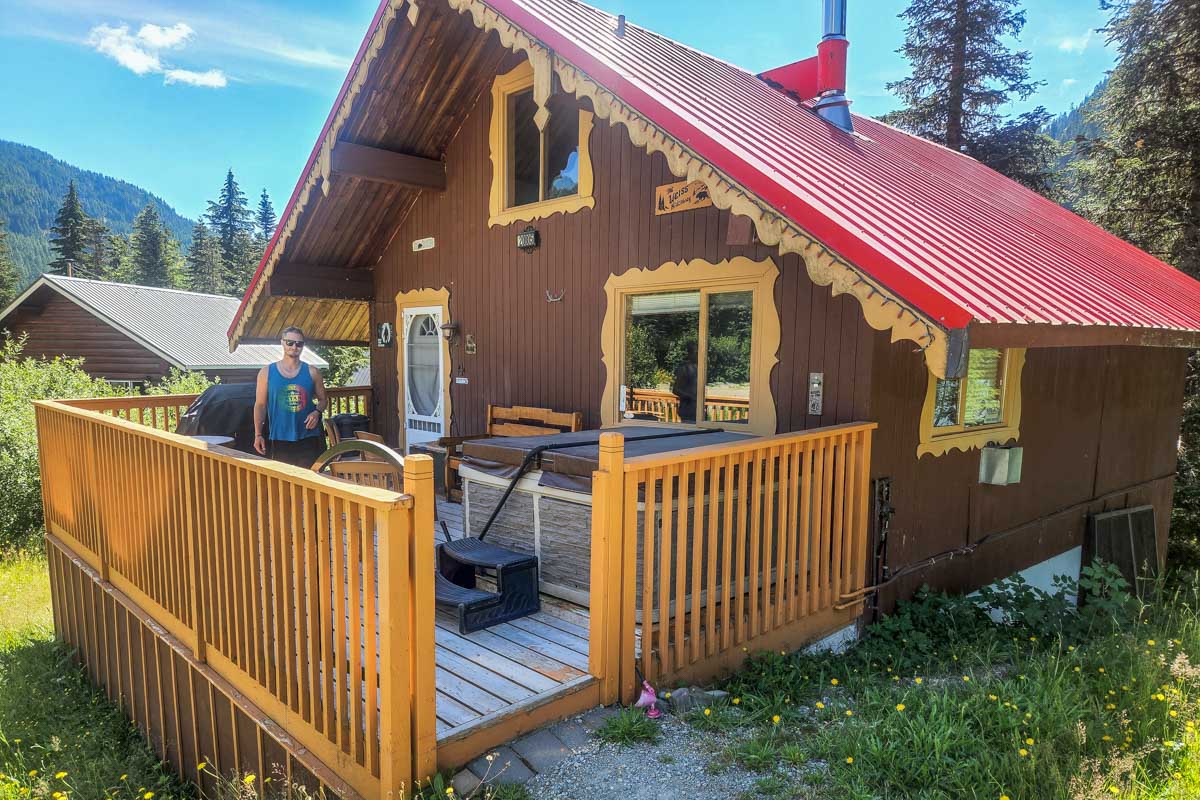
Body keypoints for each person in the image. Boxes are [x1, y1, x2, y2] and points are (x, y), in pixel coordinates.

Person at [254, 326, 328, 467]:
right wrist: (258, 434)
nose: (294, 346)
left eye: (299, 343)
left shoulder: (313, 372)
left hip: (308, 436)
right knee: (282, 482)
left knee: (310, 480)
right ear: (282, 343)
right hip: (279, 436)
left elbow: (323, 400)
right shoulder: (266, 372)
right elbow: (260, 405)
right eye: (290, 342)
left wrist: (317, 412)